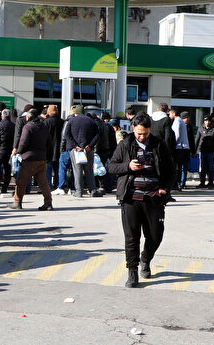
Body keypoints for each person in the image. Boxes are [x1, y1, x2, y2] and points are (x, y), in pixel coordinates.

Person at [107, 113, 175, 288]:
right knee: (131, 237)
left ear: (150, 129)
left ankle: (146, 258)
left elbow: (170, 171)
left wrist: (165, 189)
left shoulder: (159, 145)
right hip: (131, 198)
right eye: (138, 133)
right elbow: (112, 166)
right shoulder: (125, 145)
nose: (141, 137)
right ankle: (132, 271)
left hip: (154, 198)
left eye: (144, 133)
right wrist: (128, 166)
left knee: (155, 235)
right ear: (133, 130)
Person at [10, 109, 54, 211]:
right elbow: (50, 143)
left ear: (28, 117)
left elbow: (23, 142)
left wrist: (18, 152)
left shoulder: (28, 127)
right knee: (43, 183)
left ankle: (17, 202)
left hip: (29, 159)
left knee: (21, 181)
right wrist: (47, 156)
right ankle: (48, 203)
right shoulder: (44, 126)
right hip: (42, 159)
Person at [63, 105, 101, 198]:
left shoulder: (71, 121)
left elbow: (67, 135)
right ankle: (92, 190)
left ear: (75, 112)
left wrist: (75, 146)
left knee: (77, 170)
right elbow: (97, 135)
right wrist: (90, 145)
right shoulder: (91, 121)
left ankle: (79, 191)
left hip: (76, 150)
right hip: (88, 150)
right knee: (89, 170)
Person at [194, 116, 214, 188]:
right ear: (204, 121)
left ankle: (210, 183)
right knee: (203, 168)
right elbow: (197, 139)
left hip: (211, 151)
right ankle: (202, 183)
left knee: (211, 168)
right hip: (202, 151)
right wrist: (195, 150)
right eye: (206, 121)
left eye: (209, 121)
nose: (207, 122)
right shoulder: (200, 128)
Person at [171, 110, 191, 191]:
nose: (169, 116)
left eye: (170, 114)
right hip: (183, 147)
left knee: (177, 167)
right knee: (180, 167)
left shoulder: (177, 121)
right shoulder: (181, 121)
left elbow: (177, 134)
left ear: (174, 114)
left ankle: (176, 183)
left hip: (179, 147)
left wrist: (174, 143)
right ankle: (179, 183)